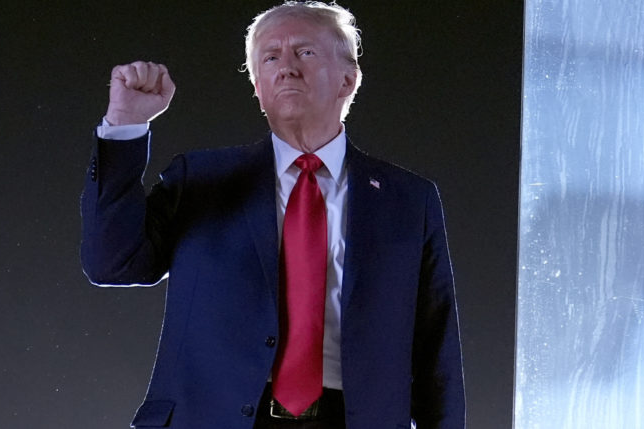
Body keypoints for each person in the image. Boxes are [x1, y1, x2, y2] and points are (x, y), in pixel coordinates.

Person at [81, 2, 465, 428]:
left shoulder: (409, 201)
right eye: (270, 57)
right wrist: (125, 127)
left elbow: (436, 351)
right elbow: (111, 263)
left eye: (305, 52)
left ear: (348, 79)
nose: (286, 67)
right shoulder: (200, 179)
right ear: (259, 88)